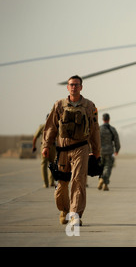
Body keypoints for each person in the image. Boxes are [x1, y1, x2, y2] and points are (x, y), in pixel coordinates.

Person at [42, 75, 100, 226]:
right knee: (62, 183)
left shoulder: (89, 106)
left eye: (76, 84)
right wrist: (46, 146)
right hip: (62, 150)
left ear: (81, 87)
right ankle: (64, 210)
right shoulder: (59, 105)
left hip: (81, 148)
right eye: (71, 85)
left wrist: (96, 150)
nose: (73, 87)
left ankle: (75, 215)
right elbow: (50, 127)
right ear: (67, 87)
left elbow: (94, 129)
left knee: (78, 181)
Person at [97, 113, 121, 191]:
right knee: (108, 167)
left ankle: (101, 180)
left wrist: (92, 150)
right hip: (109, 151)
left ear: (103, 119)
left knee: (100, 167)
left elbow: (93, 140)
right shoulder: (112, 129)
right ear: (109, 119)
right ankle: (104, 183)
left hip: (100, 151)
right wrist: (117, 150)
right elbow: (116, 140)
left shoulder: (98, 129)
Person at [32, 115, 56, 188]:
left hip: (44, 146)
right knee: (52, 164)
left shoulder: (42, 126)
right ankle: (50, 182)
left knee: (44, 164)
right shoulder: (55, 126)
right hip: (51, 146)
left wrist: (34, 146)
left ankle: (47, 183)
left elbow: (35, 137)